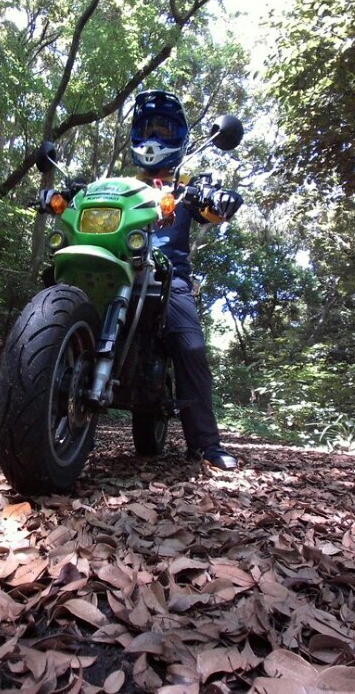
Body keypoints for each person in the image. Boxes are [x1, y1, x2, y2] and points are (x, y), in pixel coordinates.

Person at [129, 90, 242, 470]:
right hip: (116, 270)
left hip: (167, 276)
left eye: (163, 129)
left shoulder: (187, 185)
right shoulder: (121, 185)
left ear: (176, 136)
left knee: (190, 348)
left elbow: (213, 210)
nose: (154, 138)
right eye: (148, 128)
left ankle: (205, 445)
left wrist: (222, 199)